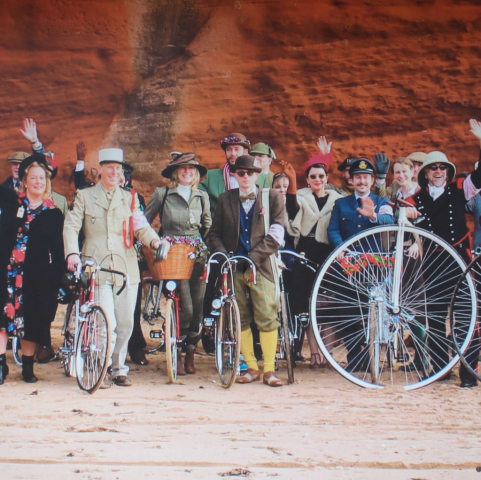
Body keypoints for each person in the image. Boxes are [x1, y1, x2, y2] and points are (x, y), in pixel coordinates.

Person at [63, 148, 161, 388]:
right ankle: (102, 367)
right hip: (96, 267)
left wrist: (155, 241)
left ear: (121, 173)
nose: (114, 172)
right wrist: (72, 254)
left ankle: (120, 368)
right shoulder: (85, 196)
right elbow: (71, 227)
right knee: (106, 321)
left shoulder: (129, 198)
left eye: (118, 169)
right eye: (109, 168)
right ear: (100, 171)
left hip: (126, 267)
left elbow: (140, 225)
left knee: (126, 322)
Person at [207, 155, 285, 386]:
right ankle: (251, 367)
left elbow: (278, 233)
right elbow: (213, 233)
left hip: (262, 265)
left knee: (267, 314)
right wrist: (225, 255)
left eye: (249, 173)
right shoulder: (225, 199)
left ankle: (269, 368)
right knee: (239, 316)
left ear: (257, 174)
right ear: (234, 175)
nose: (245, 177)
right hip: (233, 266)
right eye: (240, 173)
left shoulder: (271, 197)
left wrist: (254, 258)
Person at [408, 149, 479, 388]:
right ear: (425, 173)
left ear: (448, 171)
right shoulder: (416, 198)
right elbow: (391, 210)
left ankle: (467, 371)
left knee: (466, 317)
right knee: (435, 318)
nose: (438, 171)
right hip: (433, 262)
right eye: (433, 168)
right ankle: (440, 369)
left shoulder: (460, 188)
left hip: (459, 261)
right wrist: (385, 212)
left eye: (442, 167)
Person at [0, 155, 65, 384]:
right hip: (7, 272)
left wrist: (59, 278)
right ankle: (1, 366)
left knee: (32, 322)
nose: (38, 182)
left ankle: (28, 367)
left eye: (42, 178)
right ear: (25, 180)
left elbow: (57, 251)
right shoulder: (10, 204)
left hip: (36, 277)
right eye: (33, 178)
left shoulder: (53, 213)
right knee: (2, 320)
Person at [144, 153, 211, 375]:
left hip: (197, 253)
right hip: (173, 254)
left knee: (199, 306)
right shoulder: (162, 194)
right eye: (182, 168)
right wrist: (158, 241)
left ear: (196, 174)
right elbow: (145, 222)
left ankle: (191, 351)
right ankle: (178, 352)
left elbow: (207, 225)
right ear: (175, 172)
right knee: (187, 308)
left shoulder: (201, 196)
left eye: (191, 169)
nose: (187, 172)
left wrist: (206, 246)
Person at [327, 158, 394, 371]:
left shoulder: (381, 202)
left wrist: (373, 215)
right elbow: (333, 230)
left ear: (373, 180)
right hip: (348, 263)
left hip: (374, 265)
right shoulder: (341, 204)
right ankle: (357, 357)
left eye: (366, 177)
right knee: (346, 311)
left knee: (373, 311)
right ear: (352, 179)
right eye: (358, 177)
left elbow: (388, 222)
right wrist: (340, 247)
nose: (362, 181)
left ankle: (374, 356)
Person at [281, 152, 343, 368]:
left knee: (327, 301)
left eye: (321, 176)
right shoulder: (302, 197)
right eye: (313, 177)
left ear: (327, 178)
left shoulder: (337, 200)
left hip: (327, 251)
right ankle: (313, 352)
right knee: (305, 301)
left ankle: (328, 353)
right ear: (307, 180)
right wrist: (292, 181)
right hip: (306, 250)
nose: (317, 180)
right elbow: (291, 208)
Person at [199, 133, 270, 216]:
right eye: (229, 149)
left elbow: (269, 202)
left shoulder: (262, 177)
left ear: (245, 152)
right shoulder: (211, 176)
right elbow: (195, 197)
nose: (232, 153)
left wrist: (265, 207)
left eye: (236, 149)